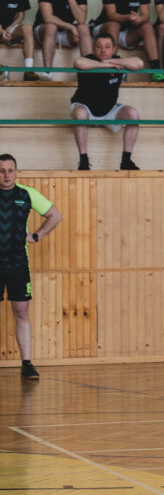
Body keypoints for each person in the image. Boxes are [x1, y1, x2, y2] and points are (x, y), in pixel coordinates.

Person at [0, 153, 62, 380]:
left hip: (18, 262)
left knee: (21, 312)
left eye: (10, 170)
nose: (6, 175)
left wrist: (37, 235)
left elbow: (55, 215)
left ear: (16, 172)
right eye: (1, 170)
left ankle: (26, 363)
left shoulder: (27, 194)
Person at [71, 33, 143, 170]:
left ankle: (126, 161)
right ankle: (84, 161)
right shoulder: (89, 59)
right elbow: (78, 63)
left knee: (133, 114)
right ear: (93, 49)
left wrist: (111, 62)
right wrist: (102, 65)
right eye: (99, 46)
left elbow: (139, 63)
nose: (103, 50)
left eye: (107, 47)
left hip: (109, 109)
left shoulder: (117, 61)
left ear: (114, 49)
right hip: (85, 108)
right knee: (80, 114)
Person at [92, 0, 162, 76]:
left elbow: (146, 15)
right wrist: (128, 17)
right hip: (104, 30)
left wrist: (139, 19)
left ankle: (156, 70)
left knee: (148, 27)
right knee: (115, 25)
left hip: (126, 34)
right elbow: (111, 15)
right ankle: (112, 66)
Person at [32, 0, 92, 81]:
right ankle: (48, 73)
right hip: (43, 31)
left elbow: (81, 19)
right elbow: (48, 17)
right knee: (51, 27)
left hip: (64, 33)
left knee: (84, 28)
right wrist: (71, 27)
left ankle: (89, 74)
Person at [0, 0, 35, 81]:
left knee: (27, 28)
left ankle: (28, 71)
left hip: (10, 30)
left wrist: (10, 28)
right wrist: (1, 31)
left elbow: (21, 15)